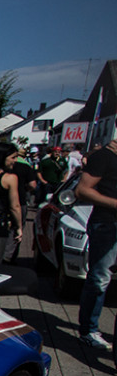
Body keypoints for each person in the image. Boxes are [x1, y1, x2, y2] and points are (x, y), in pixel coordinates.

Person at [76, 134, 117, 351]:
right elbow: (82, 190)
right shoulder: (104, 157)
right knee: (100, 277)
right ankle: (88, 330)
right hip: (107, 224)